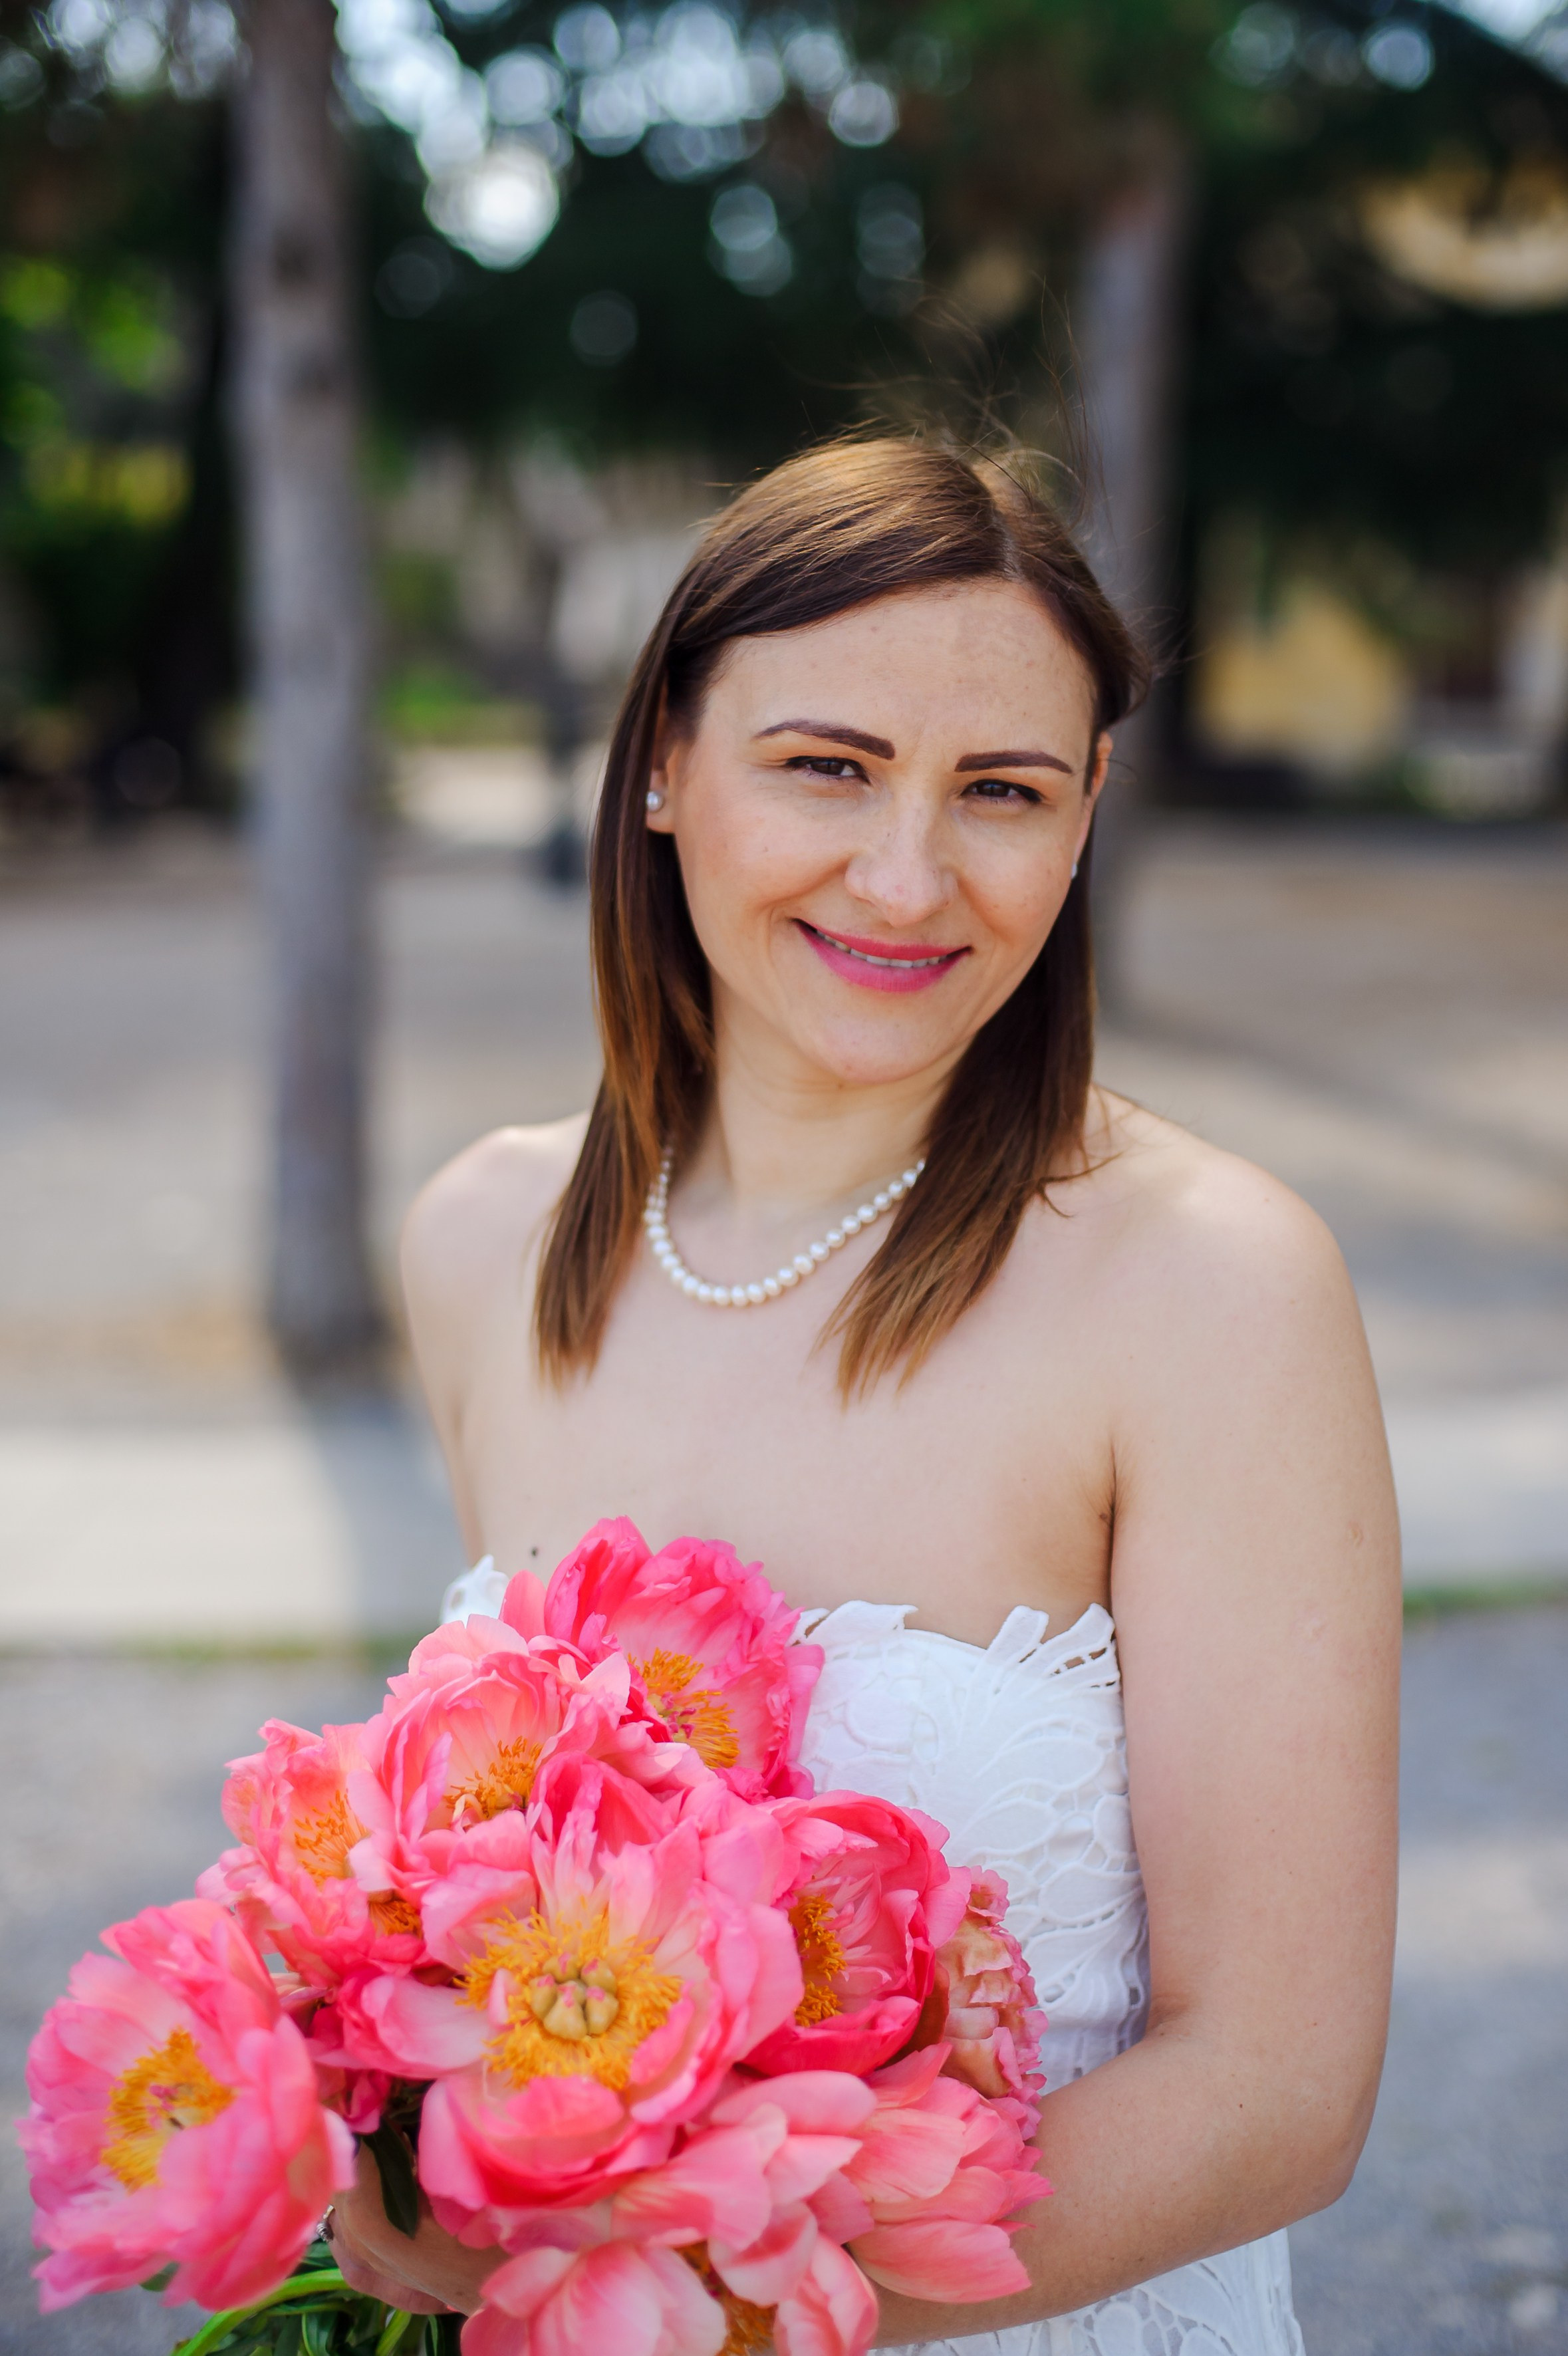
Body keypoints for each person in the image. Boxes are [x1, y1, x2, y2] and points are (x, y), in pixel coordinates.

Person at [328, 436, 1401, 2352]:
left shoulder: (1214, 1291)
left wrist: (703, 2311)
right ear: (661, 759)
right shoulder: (482, 1244)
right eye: (826, 766)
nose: (908, 876)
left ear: (1082, 825)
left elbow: (1272, 2093)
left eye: (1002, 792)